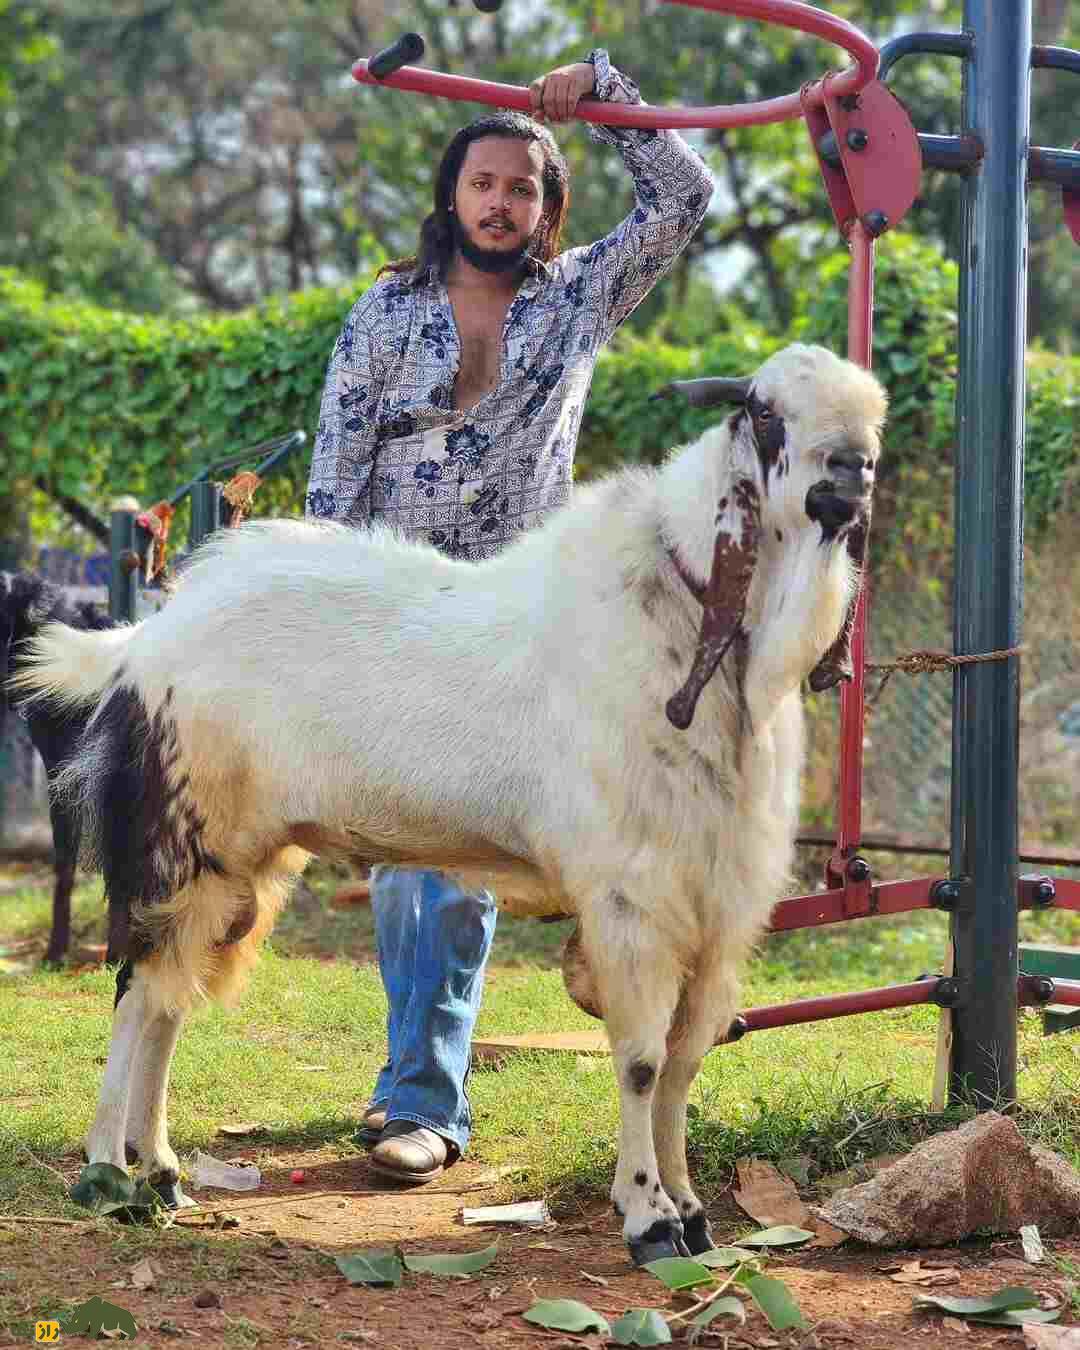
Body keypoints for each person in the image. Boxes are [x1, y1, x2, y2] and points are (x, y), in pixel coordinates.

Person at [305, 49, 714, 1185]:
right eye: (483, 182)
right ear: (452, 194)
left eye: (523, 188)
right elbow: (336, 467)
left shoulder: (578, 295)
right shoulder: (388, 309)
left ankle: (422, 1096)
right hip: (396, 610)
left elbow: (685, 197)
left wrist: (605, 91)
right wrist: (329, 608)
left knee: (461, 858)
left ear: (547, 207)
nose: (500, 202)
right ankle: (417, 1087)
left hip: (520, 616)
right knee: (412, 856)